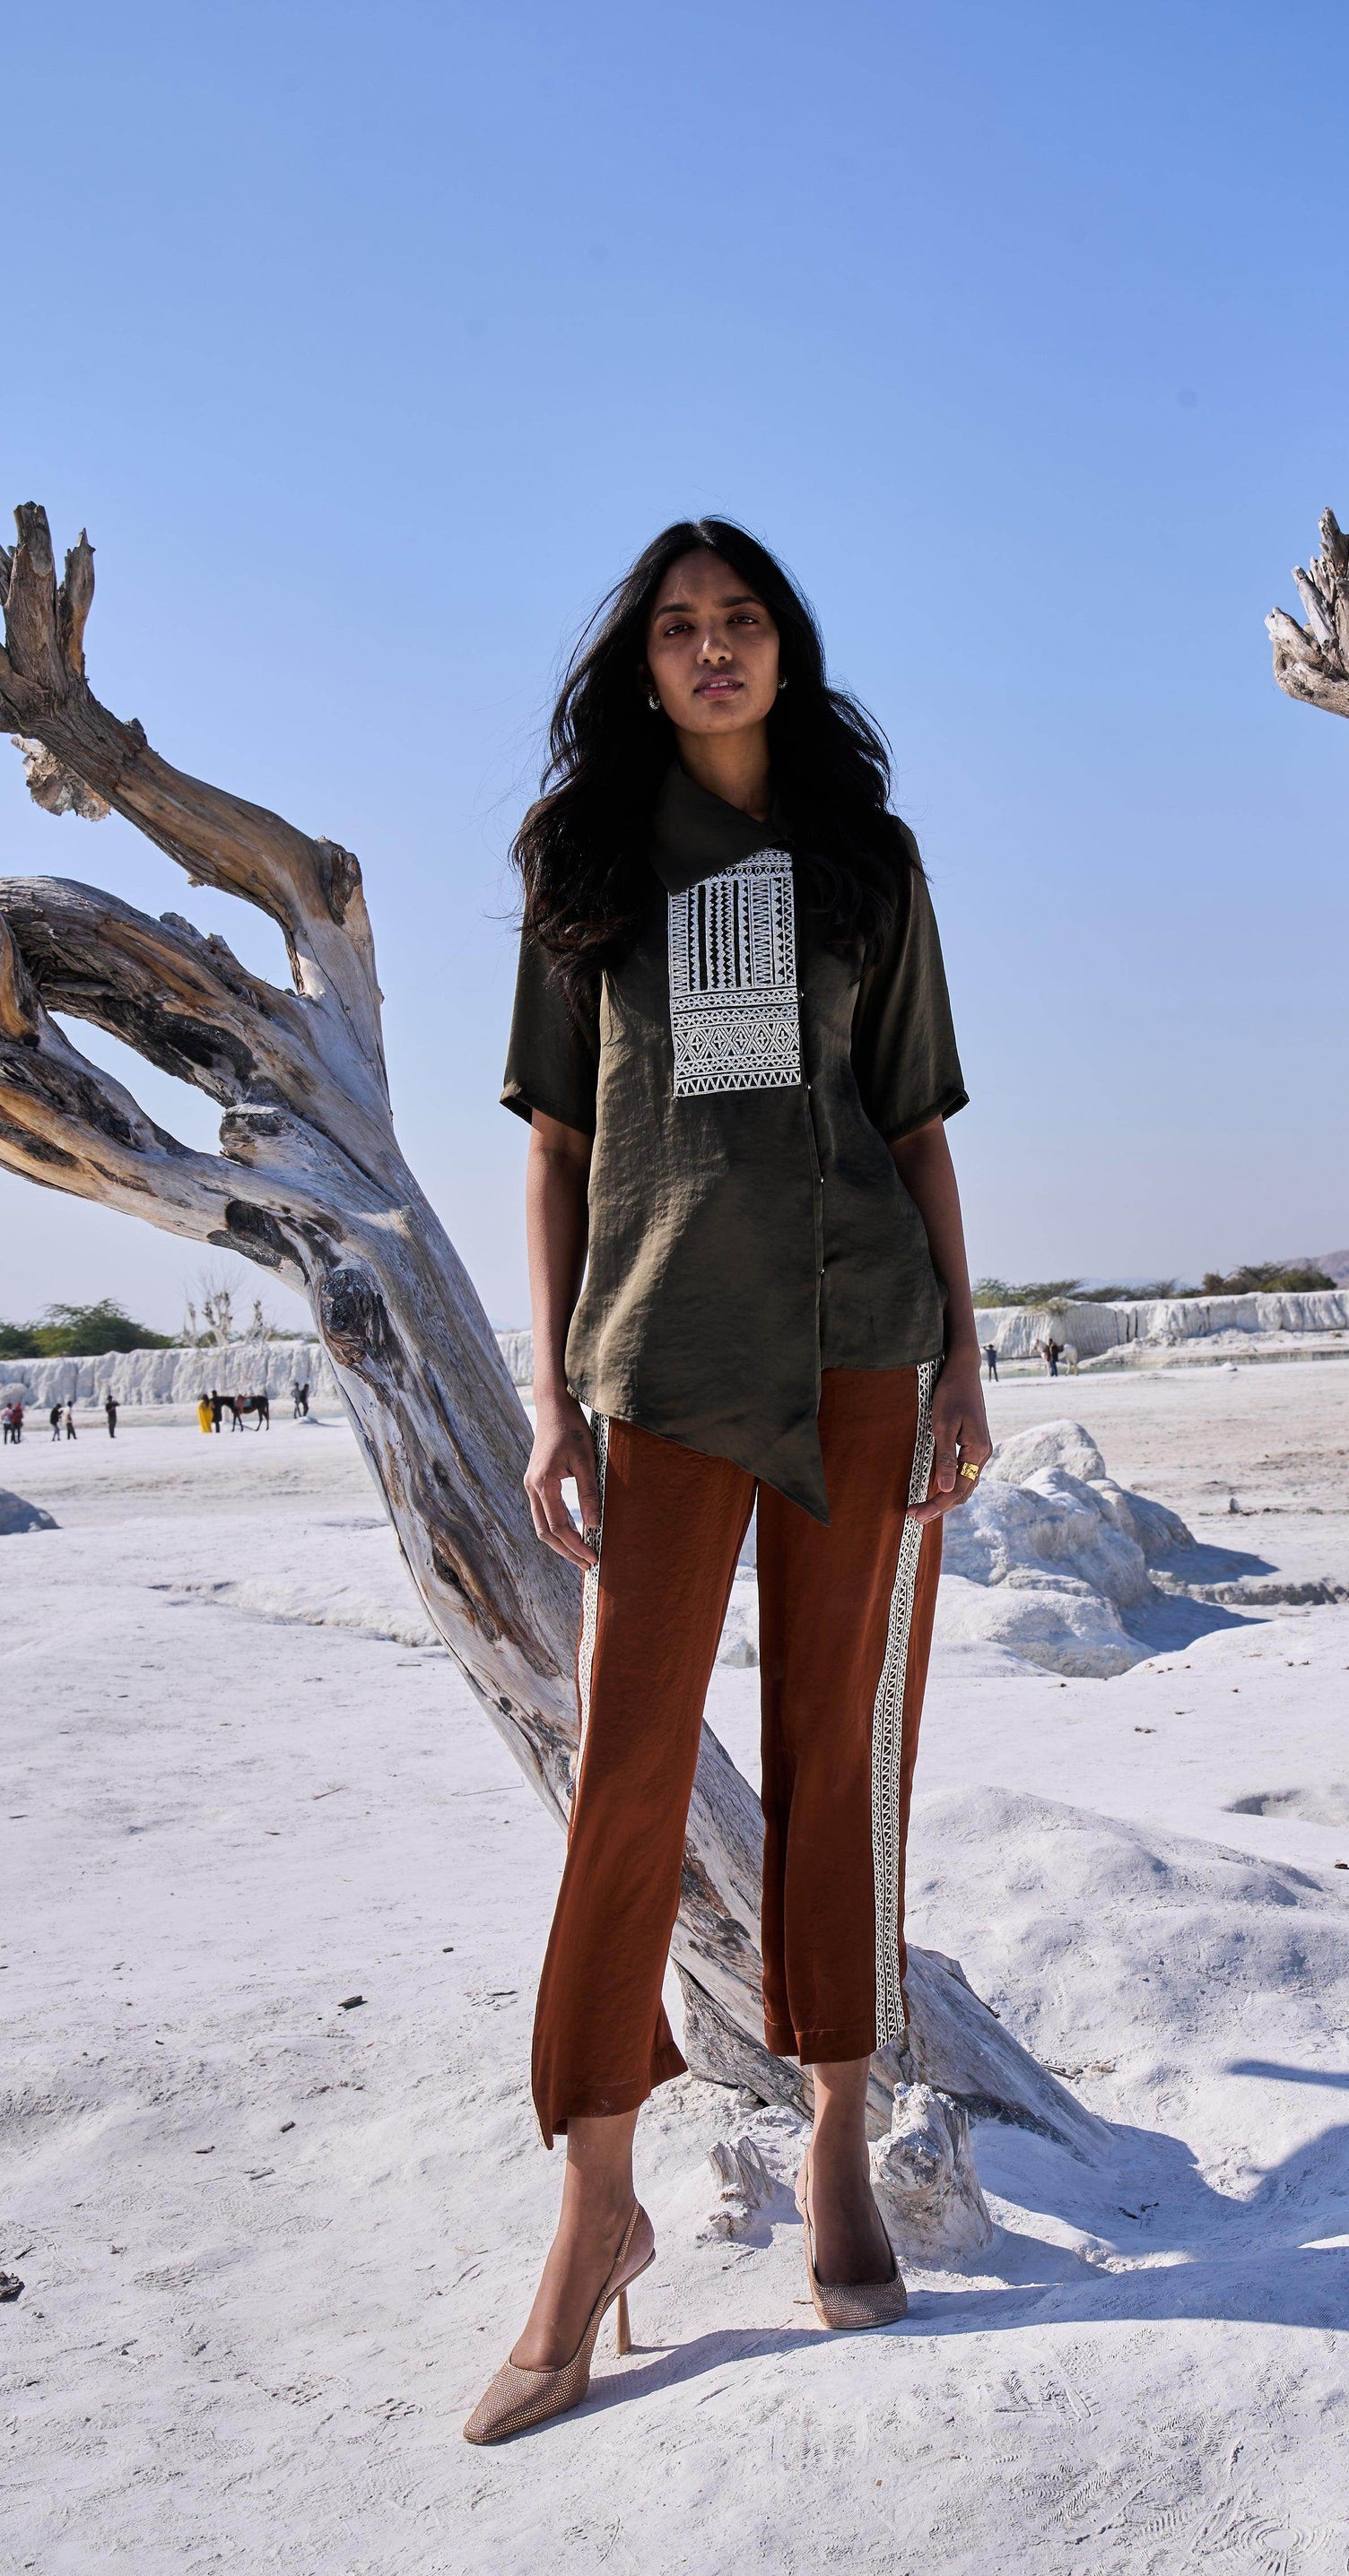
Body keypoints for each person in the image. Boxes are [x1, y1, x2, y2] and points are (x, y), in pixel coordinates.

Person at [466, 519, 990, 2447]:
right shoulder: (582, 860)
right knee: (625, 1768)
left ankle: (839, 2126)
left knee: (838, 1750)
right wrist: (549, 1396)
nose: (712, 649)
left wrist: (965, 1362)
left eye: (741, 620)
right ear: (642, 662)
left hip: (862, 1343)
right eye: (680, 627)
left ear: (786, 646)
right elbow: (552, 1147)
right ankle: (595, 2198)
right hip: (667, 1359)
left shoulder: (870, 858)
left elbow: (915, 1124)